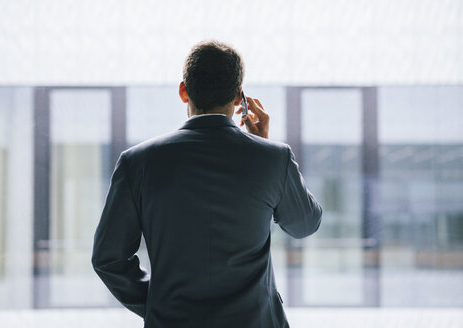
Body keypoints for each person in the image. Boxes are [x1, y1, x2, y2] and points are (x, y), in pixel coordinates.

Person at [91, 40, 322, 328]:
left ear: (183, 91)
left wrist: (158, 306)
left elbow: (108, 259)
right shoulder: (274, 158)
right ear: (239, 98)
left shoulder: (137, 163)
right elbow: (304, 225)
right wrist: (262, 147)